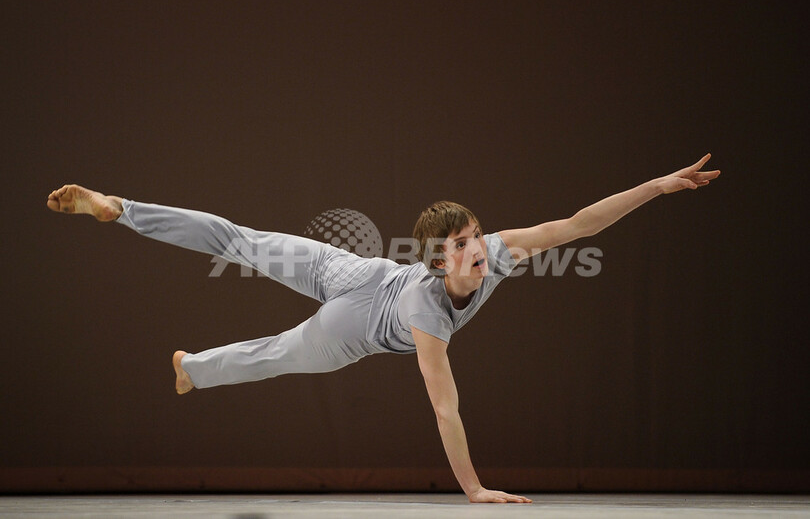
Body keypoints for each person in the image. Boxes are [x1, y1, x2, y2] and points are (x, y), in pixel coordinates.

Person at [46, 153, 720, 504]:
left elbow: (578, 224)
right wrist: (475, 488)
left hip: (357, 273)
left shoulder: (501, 254)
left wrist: (656, 188)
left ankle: (185, 353)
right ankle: (125, 217)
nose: (478, 249)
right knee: (265, 307)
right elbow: (445, 407)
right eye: (461, 244)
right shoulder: (431, 313)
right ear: (437, 257)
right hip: (355, 314)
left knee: (257, 290)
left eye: (477, 236)